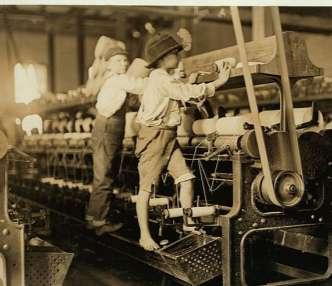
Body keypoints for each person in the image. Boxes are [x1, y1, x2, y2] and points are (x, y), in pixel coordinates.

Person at [135, 32, 233, 251]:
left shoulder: (164, 78)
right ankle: (144, 235)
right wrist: (219, 82)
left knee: (186, 178)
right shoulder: (160, 78)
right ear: (162, 59)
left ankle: (188, 223)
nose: (178, 56)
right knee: (146, 189)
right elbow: (185, 92)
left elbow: (183, 91)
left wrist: (197, 82)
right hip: (155, 136)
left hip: (168, 135)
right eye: (174, 53)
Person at [86, 36, 147, 234]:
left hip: (108, 128)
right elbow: (140, 86)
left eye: (125, 60)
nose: (124, 63)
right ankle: (98, 222)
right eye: (119, 60)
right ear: (110, 65)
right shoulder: (117, 79)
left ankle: (93, 216)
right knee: (104, 175)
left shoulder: (110, 79)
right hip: (108, 129)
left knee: (104, 174)